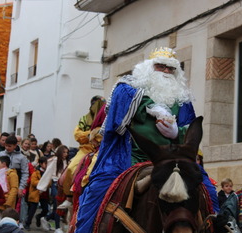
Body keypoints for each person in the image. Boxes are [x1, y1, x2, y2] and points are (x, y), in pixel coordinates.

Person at [75, 47, 196, 232]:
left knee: (207, 192)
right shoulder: (128, 88)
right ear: (148, 68)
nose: (165, 72)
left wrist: (176, 134)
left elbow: (191, 132)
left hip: (171, 161)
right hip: (128, 160)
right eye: (160, 66)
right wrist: (152, 107)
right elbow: (118, 116)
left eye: (170, 68)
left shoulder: (182, 101)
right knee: (97, 194)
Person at [60, 95, 106, 209]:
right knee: (71, 168)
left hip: (101, 148)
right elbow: (77, 135)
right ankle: (68, 197)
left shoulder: (107, 118)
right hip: (85, 149)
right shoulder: (84, 119)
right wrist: (91, 134)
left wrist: (96, 134)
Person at [0, 135, 29, 200]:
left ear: (15, 145)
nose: (7, 148)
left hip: (15, 184)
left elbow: (25, 173)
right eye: (6, 145)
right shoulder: (0, 154)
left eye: (10, 146)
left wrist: (21, 187)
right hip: (2, 183)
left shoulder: (22, 157)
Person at [25, 157, 50, 230]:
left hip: (44, 194)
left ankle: (39, 216)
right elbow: (33, 182)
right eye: (45, 163)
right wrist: (43, 182)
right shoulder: (36, 172)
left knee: (45, 209)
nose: (47, 165)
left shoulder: (47, 173)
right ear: (40, 164)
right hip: (36, 194)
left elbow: (49, 183)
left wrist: (46, 183)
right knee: (32, 210)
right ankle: (27, 223)